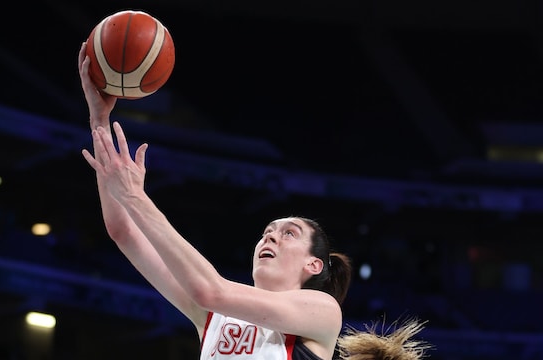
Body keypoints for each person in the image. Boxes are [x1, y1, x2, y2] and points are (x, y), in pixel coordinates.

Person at [77, 42, 431, 360]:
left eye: (288, 233)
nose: (270, 236)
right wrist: (99, 120)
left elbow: (209, 290)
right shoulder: (214, 315)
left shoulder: (320, 310)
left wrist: (137, 197)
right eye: (267, 231)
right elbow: (122, 231)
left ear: (314, 265)